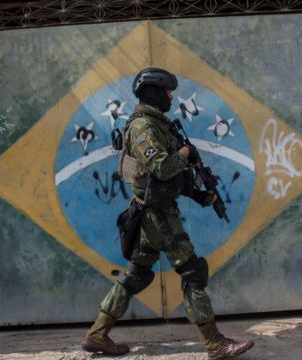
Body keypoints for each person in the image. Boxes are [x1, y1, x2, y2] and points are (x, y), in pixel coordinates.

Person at [81, 68, 254, 358]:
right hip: (157, 216)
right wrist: (185, 154)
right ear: (153, 92)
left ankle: (97, 335)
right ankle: (215, 343)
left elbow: (168, 178)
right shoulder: (144, 128)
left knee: (136, 277)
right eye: (167, 91)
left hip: (153, 211)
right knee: (192, 271)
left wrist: (199, 194)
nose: (171, 96)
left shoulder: (157, 125)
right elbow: (161, 168)